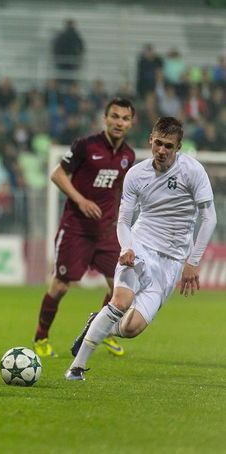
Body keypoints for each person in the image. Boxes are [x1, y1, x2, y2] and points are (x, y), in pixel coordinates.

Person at [66, 117, 217, 381]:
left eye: (168, 146)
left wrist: (192, 262)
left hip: (171, 261)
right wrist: (127, 247)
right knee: (120, 301)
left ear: (178, 147)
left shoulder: (193, 172)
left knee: (132, 328)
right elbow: (124, 221)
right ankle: (76, 368)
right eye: (158, 143)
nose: (161, 150)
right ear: (150, 139)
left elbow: (209, 218)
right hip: (141, 246)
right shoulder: (136, 175)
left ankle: (99, 325)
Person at [32, 97, 136, 359]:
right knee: (60, 287)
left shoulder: (128, 156)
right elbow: (57, 174)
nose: (119, 122)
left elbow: (120, 190)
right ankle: (41, 337)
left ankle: (102, 332)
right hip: (76, 228)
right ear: (105, 118)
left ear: (130, 123)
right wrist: (81, 200)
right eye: (114, 116)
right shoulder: (86, 146)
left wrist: (120, 219)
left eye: (124, 118)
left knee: (120, 288)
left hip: (106, 232)